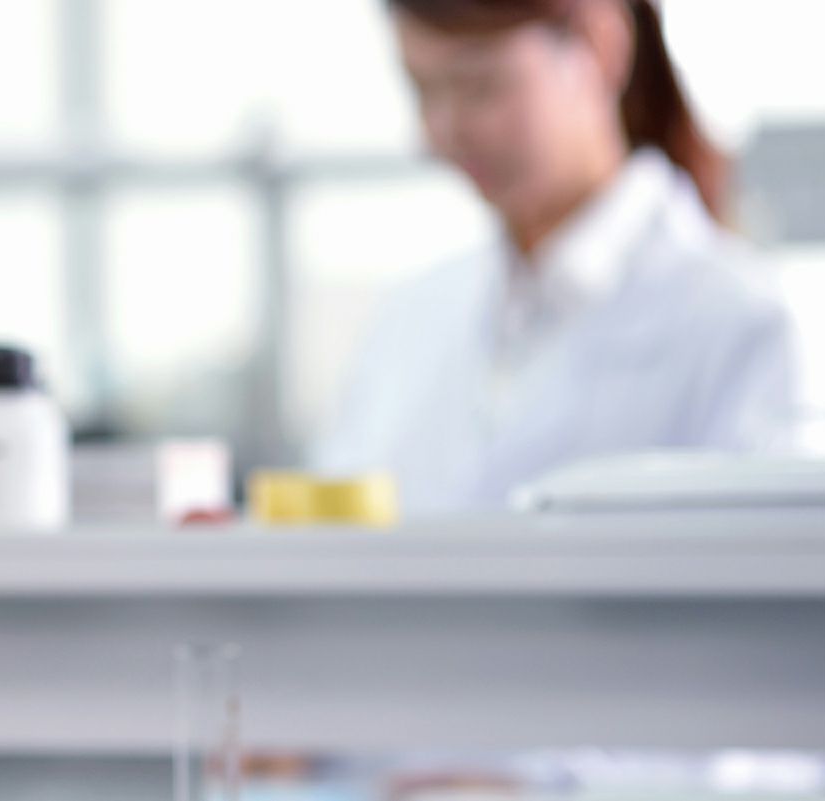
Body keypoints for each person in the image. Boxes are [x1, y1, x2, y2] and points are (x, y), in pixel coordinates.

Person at [313, 0, 799, 514]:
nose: (445, 130)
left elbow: (759, 549)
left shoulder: (739, 321)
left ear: (601, 48)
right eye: (422, 89)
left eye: (479, 86)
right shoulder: (410, 317)